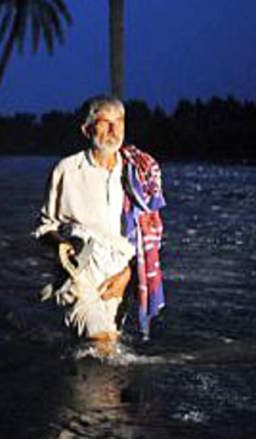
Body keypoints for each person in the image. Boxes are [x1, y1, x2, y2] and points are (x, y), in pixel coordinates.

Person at [33, 95, 166, 356]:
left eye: (119, 123)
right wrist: (61, 245)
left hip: (119, 278)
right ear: (86, 129)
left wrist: (127, 275)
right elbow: (44, 226)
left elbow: (146, 235)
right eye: (105, 123)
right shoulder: (67, 170)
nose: (114, 131)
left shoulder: (137, 174)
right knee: (100, 343)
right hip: (78, 275)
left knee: (107, 352)